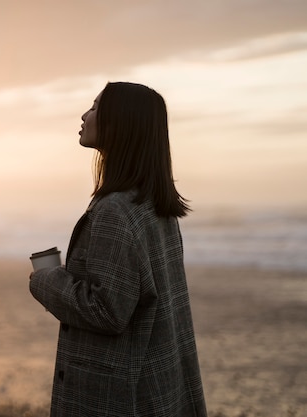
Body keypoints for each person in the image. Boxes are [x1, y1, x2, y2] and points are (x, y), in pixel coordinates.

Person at [29, 82, 207, 417]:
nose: (84, 115)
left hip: (117, 396)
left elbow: (107, 310)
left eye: (95, 108)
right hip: (156, 384)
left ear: (118, 124)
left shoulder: (115, 211)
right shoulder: (155, 205)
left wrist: (46, 280)